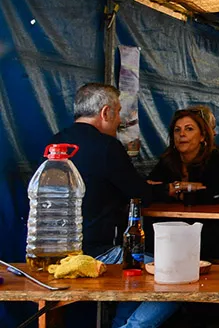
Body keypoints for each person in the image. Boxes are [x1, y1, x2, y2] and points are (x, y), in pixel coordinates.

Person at [83, 108, 219, 328]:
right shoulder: (168, 161)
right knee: (156, 276)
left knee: (174, 276)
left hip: (207, 234)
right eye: (177, 130)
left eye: (189, 129)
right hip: (164, 235)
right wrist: (177, 188)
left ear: (203, 136)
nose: (182, 135)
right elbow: (147, 191)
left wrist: (174, 190)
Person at [47, 83, 149, 258]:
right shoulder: (108, 146)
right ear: (105, 113)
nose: (119, 120)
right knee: (170, 270)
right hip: (97, 254)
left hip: (53, 253)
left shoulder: (53, 143)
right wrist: (168, 189)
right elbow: (139, 194)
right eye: (117, 112)